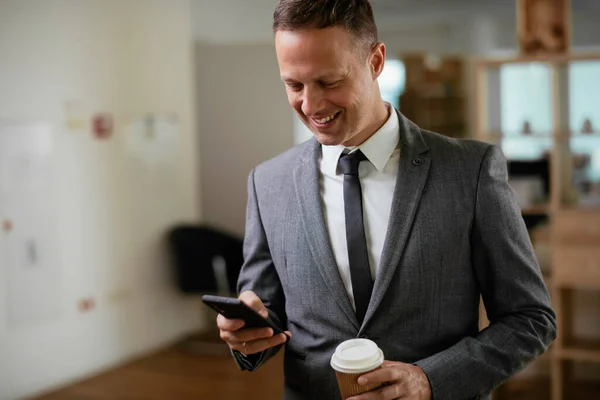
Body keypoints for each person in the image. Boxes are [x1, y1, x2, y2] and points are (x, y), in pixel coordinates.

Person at [217, 1, 556, 399]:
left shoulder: (472, 171)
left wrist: (430, 380)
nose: (310, 105)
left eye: (329, 82)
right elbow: (265, 310)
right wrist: (247, 334)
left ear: (376, 61)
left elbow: (531, 319)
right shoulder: (266, 183)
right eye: (294, 85)